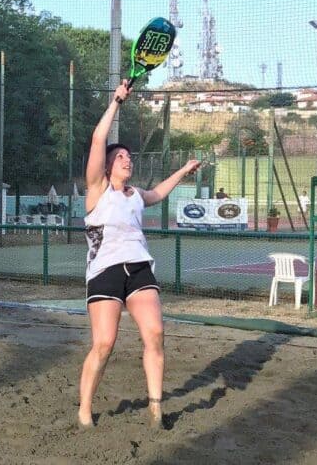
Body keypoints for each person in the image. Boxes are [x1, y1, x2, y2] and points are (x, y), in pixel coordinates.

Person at [78, 81, 201, 428]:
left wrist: (182, 171)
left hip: (140, 268)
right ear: (106, 166)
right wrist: (116, 101)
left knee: (156, 334)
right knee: (104, 343)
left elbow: (158, 194)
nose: (126, 160)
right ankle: (85, 409)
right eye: (121, 157)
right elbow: (98, 140)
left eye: (129, 158)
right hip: (105, 272)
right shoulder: (97, 190)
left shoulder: (135, 194)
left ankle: (156, 409)